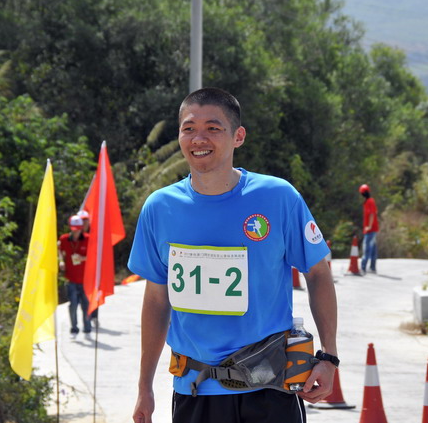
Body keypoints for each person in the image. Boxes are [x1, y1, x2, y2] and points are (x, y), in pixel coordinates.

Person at [128, 87, 338, 423]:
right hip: (195, 391)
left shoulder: (278, 197)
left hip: (270, 390)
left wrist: (328, 356)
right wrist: (144, 387)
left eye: (213, 128)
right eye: (188, 128)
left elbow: (318, 273)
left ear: (238, 136)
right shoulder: (159, 207)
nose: (199, 138)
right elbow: (156, 299)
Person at [58, 213, 92, 339]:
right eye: (74, 230)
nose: (76, 232)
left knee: (86, 305)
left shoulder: (88, 238)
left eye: (78, 230)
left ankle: (87, 329)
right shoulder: (64, 239)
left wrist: (83, 258)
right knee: (72, 305)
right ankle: (74, 328)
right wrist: (61, 261)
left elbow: (94, 256)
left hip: (85, 279)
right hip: (70, 279)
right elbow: (59, 251)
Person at [359, 184, 379, 274]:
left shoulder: (370, 201)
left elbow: (372, 214)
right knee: (373, 249)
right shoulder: (369, 201)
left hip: (370, 230)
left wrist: (369, 226)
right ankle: (372, 267)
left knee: (366, 248)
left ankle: (363, 267)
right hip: (372, 229)